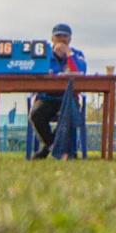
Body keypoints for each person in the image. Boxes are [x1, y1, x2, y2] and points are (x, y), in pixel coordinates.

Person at [29, 23, 90, 157]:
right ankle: (51, 146)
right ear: (52, 38)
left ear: (70, 39)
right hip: (47, 97)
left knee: (70, 114)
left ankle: (47, 150)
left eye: (65, 36)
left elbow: (79, 72)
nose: (62, 39)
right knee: (36, 114)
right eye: (58, 36)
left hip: (68, 97)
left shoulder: (77, 54)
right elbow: (37, 72)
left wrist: (69, 55)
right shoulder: (44, 55)